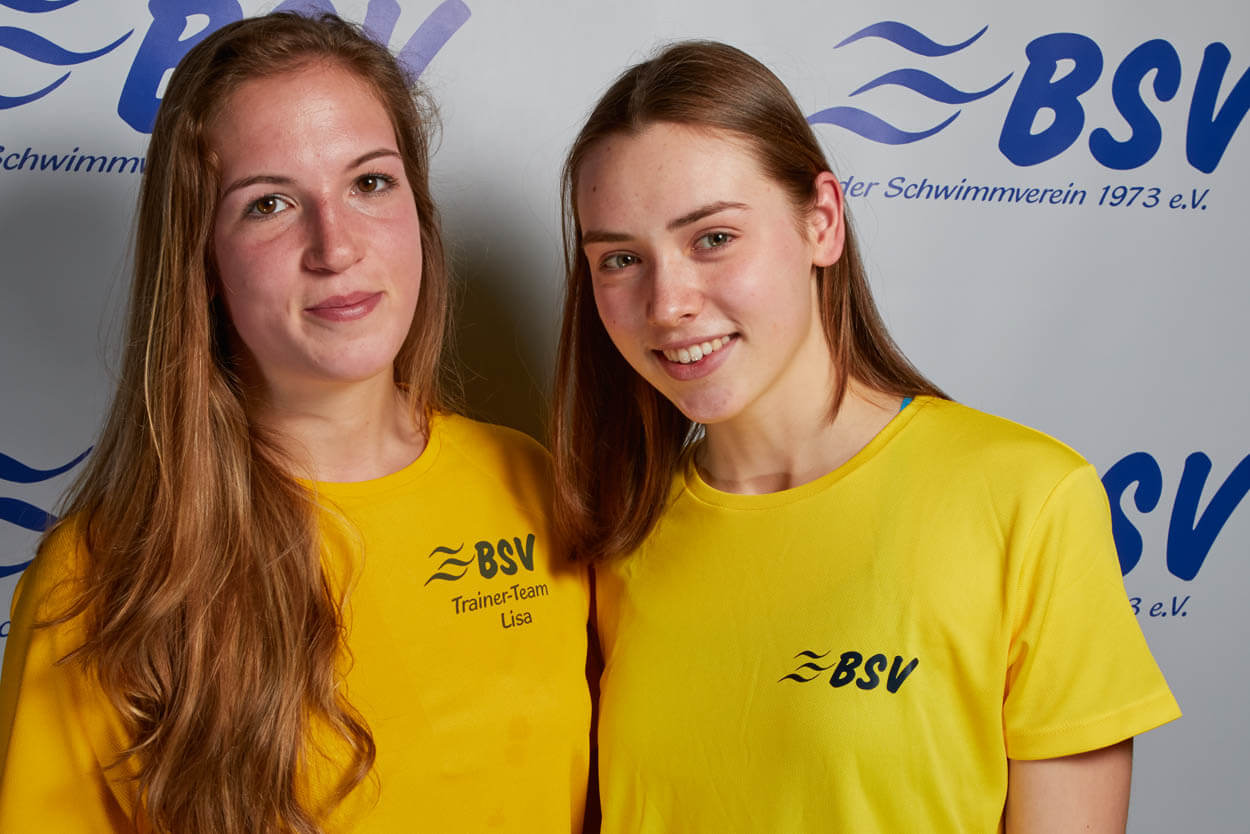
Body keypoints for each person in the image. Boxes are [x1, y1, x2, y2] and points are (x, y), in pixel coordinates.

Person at [552, 40, 1180, 832]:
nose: (667, 302)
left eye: (713, 238)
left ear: (821, 221)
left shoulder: (1029, 501)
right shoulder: (616, 532)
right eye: (619, 259)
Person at [0, 13, 590, 834]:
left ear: (419, 211)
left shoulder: (537, 486)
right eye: (269, 204)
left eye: (369, 183)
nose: (335, 246)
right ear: (203, 258)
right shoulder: (103, 577)